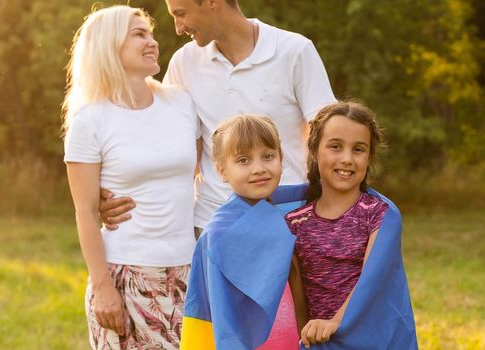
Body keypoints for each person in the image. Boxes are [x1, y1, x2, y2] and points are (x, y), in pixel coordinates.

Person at [100, 0, 337, 235]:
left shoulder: (294, 50)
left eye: (181, 14)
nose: (178, 28)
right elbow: (165, 147)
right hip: (212, 224)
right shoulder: (184, 62)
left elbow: (330, 136)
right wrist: (115, 191)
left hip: (289, 220)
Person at [62, 5, 200, 349]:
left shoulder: (181, 103)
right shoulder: (90, 120)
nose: (152, 41)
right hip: (126, 274)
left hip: (189, 270)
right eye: (139, 34)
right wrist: (104, 288)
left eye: (151, 33)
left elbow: (199, 170)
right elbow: (85, 211)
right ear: (109, 46)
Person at [286, 101, 417, 348]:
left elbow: (372, 282)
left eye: (358, 149)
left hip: (371, 341)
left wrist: (335, 323)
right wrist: (306, 337)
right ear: (313, 150)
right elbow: (298, 296)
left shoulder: (379, 215)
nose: (347, 159)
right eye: (335, 146)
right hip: (320, 342)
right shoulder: (294, 223)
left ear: (368, 158)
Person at [180, 114, 302, 349]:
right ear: (222, 170)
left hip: (292, 336)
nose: (259, 169)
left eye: (268, 156)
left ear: (281, 159)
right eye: (244, 160)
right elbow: (218, 311)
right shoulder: (219, 235)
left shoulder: (294, 213)